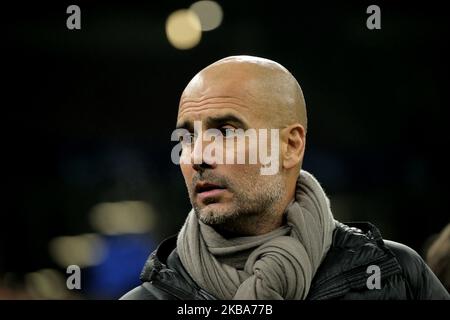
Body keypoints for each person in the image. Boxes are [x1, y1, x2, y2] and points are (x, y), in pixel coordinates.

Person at [121, 56, 449, 300]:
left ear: (290, 146)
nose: (196, 156)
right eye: (187, 136)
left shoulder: (399, 275)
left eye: (226, 131)